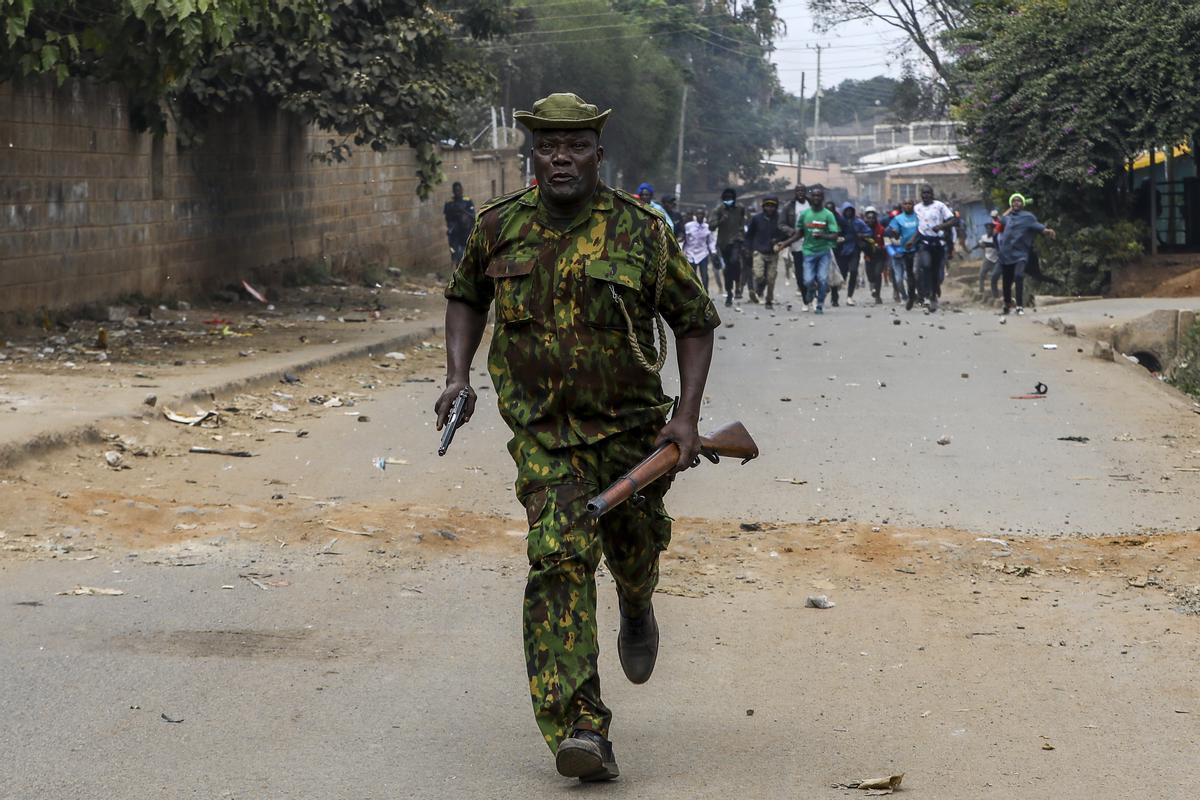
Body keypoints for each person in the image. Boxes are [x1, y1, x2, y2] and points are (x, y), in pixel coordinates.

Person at [438, 93, 720, 783]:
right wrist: (457, 376)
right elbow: (466, 295)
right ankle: (581, 727)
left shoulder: (639, 231)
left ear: (599, 153)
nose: (560, 156)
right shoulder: (499, 228)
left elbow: (694, 318)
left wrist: (684, 417)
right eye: (547, 145)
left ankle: (636, 598)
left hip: (631, 436)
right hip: (544, 436)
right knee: (558, 560)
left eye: (576, 145)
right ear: (532, 154)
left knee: (632, 548)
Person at [998, 193, 1056, 315]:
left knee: (1019, 276)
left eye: (1019, 201)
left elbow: (1039, 227)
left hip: (1020, 254)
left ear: (1023, 204)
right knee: (1006, 282)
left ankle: (1019, 306)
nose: (1016, 203)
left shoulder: (1028, 217)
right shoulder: (1008, 219)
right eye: (1014, 201)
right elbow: (1001, 218)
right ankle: (1007, 303)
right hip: (1006, 254)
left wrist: (1047, 231)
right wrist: (1010, 207)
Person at [744, 196, 797, 309]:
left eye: (772, 206)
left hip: (773, 252)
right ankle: (760, 287)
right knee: (758, 276)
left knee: (771, 278)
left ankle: (769, 300)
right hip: (759, 251)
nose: (770, 208)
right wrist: (748, 249)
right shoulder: (756, 219)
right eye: (767, 206)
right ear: (763, 207)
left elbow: (785, 234)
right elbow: (749, 235)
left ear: (776, 207)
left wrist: (778, 240)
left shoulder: (780, 219)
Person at [912, 184, 956, 313]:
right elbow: (914, 225)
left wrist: (941, 226)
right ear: (921, 195)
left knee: (938, 273)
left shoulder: (940, 206)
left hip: (939, 243)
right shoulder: (917, 208)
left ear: (932, 194)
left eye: (928, 193)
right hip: (924, 243)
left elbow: (953, 220)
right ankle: (929, 295)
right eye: (924, 193)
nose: (926, 196)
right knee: (925, 266)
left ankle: (935, 289)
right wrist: (911, 240)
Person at [797, 186, 840, 314]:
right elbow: (799, 232)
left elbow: (834, 234)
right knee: (808, 280)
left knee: (822, 279)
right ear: (810, 197)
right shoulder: (804, 214)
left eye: (819, 196)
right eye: (814, 196)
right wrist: (785, 243)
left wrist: (823, 236)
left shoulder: (828, 214)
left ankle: (820, 304)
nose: (816, 198)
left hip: (823, 252)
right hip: (808, 252)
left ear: (822, 198)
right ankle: (810, 290)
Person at [712, 187, 748, 307]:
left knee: (735, 261)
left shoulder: (740, 208)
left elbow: (743, 221)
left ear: (734, 199)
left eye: (731, 198)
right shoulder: (718, 210)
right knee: (727, 268)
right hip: (723, 243)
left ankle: (737, 285)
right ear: (723, 199)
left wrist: (742, 233)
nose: (729, 200)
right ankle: (729, 293)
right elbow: (711, 226)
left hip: (737, 240)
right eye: (726, 198)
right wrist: (721, 221)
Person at [831, 202, 870, 307]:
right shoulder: (837, 222)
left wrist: (861, 235)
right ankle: (834, 297)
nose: (848, 213)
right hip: (841, 251)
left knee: (853, 272)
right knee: (840, 275)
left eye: (850, 211)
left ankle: (849, 297)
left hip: (854, 250)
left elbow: (869, 232)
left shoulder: (858, 222)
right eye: (846, 211)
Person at [885, 199, 919, 306]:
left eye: (910, 204)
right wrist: (894, 233)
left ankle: (916, 295)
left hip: (916, 250)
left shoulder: (918, 217)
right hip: (899, 255)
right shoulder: (897, 220)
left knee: (912, 274)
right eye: (905, 204)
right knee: (899, 279)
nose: (908, 206)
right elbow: (889, 243)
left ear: (913, 205)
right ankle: (904, 296)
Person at [782, 184, 810, 301]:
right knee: (799, 271)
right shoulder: (789, 206)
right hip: (796, 243)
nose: (800, 193)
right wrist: (792, 231)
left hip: (812, 242)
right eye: (798, 190)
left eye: (802, 190)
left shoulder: (812, 204)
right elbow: (781, 224)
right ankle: (804, 295)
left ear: (805, 191)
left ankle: (812, 292)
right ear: (795, 192)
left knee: (811, 270)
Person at [683, 209, 717, 293]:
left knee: (704, 275)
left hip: (703, 254)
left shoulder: (707, 227)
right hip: (690, 253)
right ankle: (692, 293)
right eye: (698, 214)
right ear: (695, 215)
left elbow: (711, 241)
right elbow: (684, 239)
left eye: (701, 214)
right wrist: (682, 251)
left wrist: (713, 252)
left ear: (704, 215)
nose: (700, 216)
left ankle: (705, 292)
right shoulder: (688, 226)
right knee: (691, 275)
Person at [443, 181, 476, 266]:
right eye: (455, 190)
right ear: (453, 191)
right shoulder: (449, 203)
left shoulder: (467, 201)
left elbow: (473, 215)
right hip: (455, 231)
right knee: (455, 251)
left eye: (459, 190)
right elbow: (447, 216)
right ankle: (455, 263)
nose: (457, 192)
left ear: (462, 190)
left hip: (466, 230)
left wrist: (463, 212)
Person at [861, 206, 888, 304]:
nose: (871, 220)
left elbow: (887, 242)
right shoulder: (863, 229)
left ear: (876, 217)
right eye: (868, 218)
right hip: (868, 256)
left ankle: (878, 295)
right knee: (870, 276)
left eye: (873, 217)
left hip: (880, 256)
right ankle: (873, 288)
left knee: (877, 274)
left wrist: (881, 247)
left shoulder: (881, 229)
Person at [972, 221, 1000, 297]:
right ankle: (981, 290)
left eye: (990, 229)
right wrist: (973, 248)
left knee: (994, 277)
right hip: (988, 258)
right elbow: (980, 244)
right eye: (987, 229)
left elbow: (995, 245)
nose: (988, 231)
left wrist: (986, 245)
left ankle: (996, 293)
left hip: (996, 259)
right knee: (981, 274)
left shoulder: (996, 237)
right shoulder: (984, 237)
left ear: (993, 229)